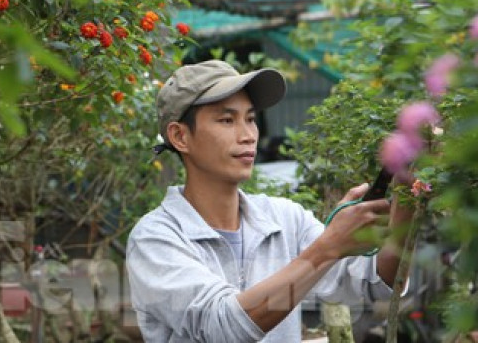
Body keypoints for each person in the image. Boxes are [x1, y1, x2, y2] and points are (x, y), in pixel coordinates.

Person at [126, 60, 414, 342]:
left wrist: (406, 195)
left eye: (250, 119)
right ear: (180, 136)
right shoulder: (155, 239)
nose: (248, 135)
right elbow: (222, 327)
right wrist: (328, 247)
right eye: (227, 120)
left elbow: (374, 284)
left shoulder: (285, 219)